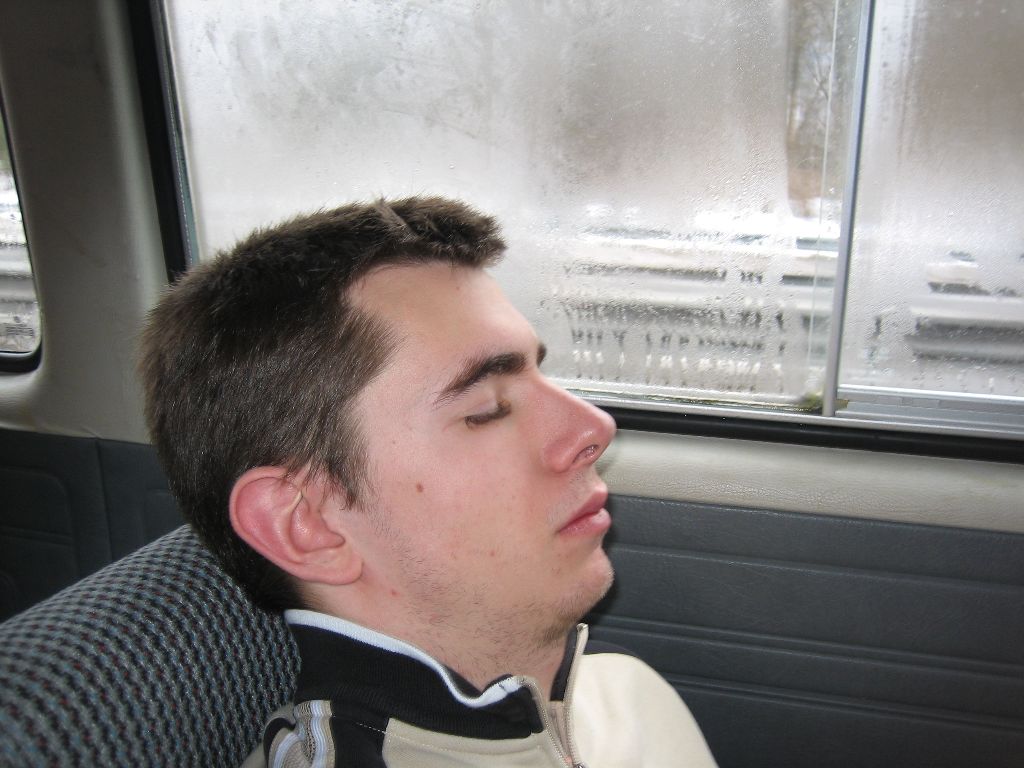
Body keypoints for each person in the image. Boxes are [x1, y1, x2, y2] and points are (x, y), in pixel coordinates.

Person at [139, 197, 717, 767]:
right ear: (307, 525)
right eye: (486, 409)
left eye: (542, 374)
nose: (594, 427)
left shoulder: (622, 691)